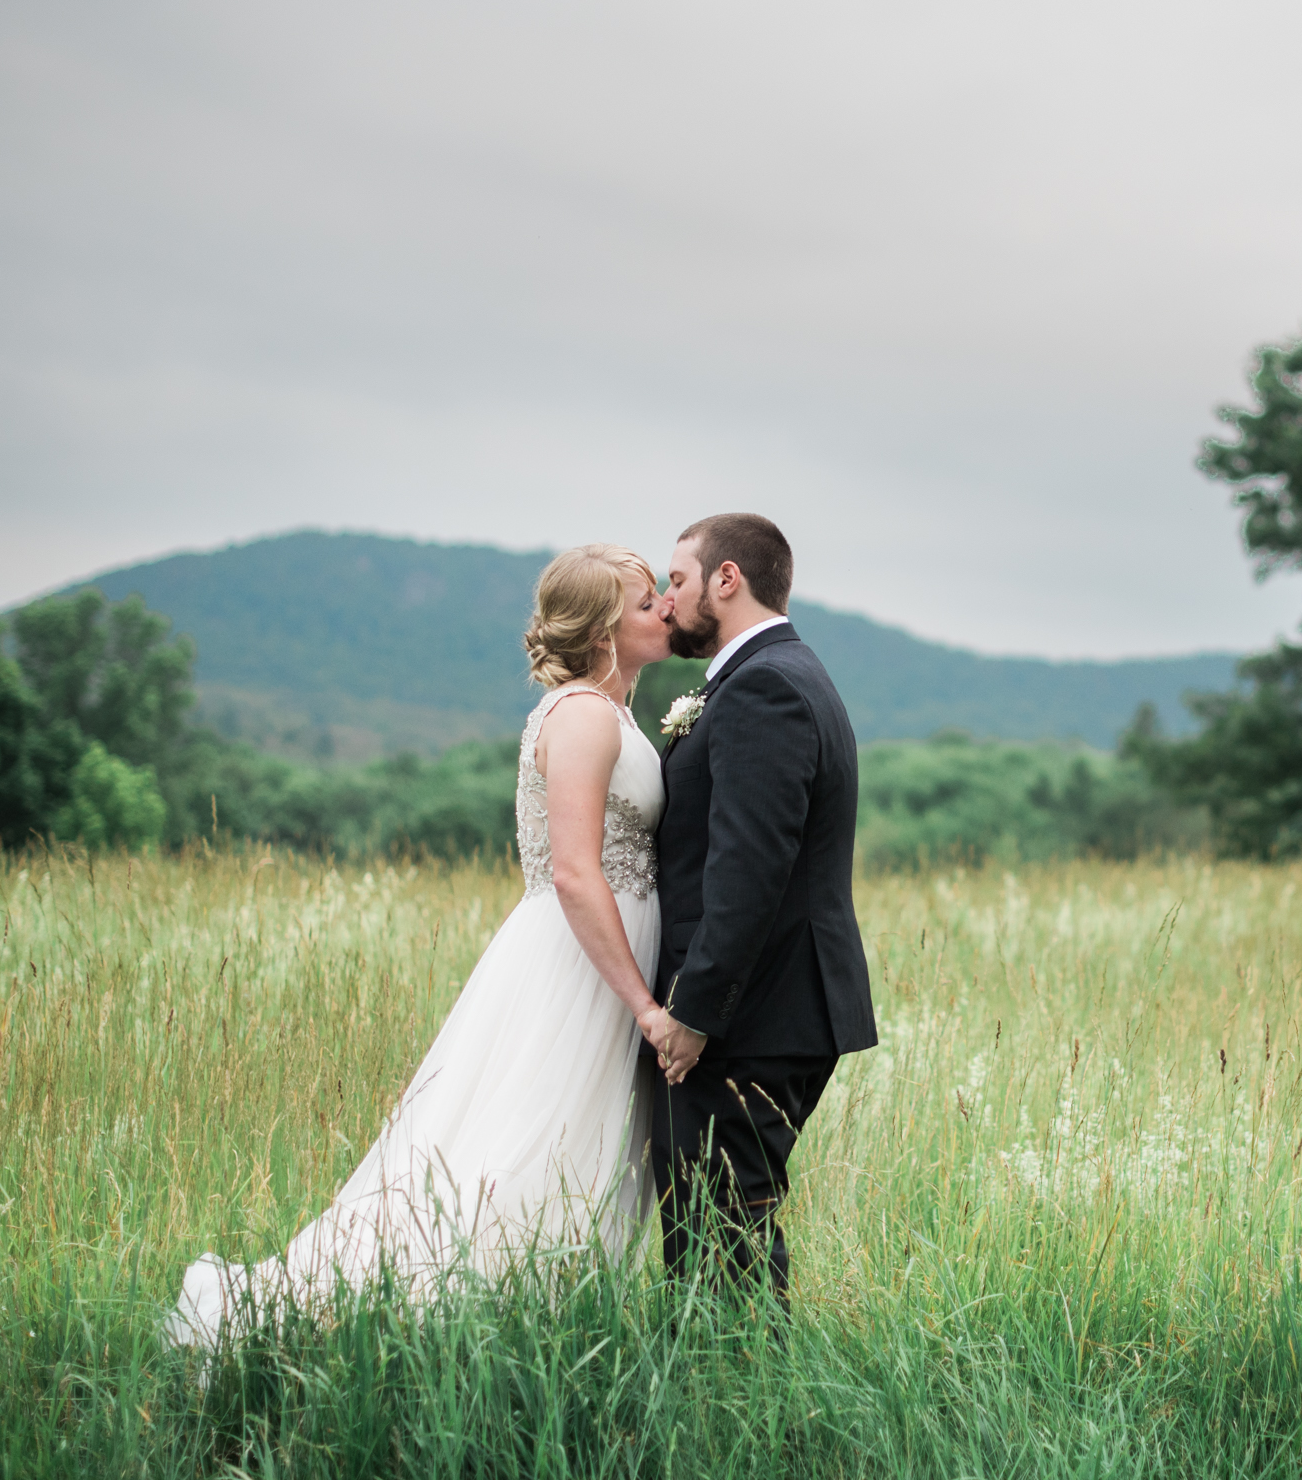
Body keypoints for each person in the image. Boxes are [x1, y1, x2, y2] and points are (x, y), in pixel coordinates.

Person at [165, 543, 689, 1345]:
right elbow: (578, 875)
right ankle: (406, 1319)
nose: (663, 608)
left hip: (603, 956)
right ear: (603, 625)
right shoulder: (582, 713)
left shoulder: (610, 711)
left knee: (571, 1150)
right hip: (581, 965)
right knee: (524, 1147)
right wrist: (646, 1007)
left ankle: (534, 1331)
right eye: (645, 597)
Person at [645, 512, 877, 1303]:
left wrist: (695, 1010)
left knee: (719, 1236)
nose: (666, 598)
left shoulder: (767, 687)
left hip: (754, 1015)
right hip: (772, 1005)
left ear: (727, 578)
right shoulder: (779, 673)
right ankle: (734, 1396)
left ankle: (738, 1403)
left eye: (677, 579)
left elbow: (748, 869)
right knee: (720, 1224)